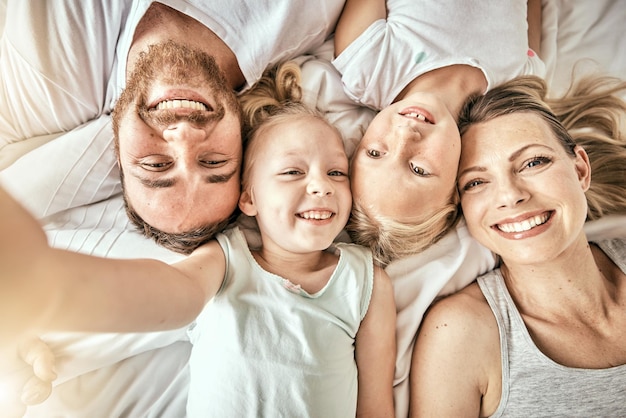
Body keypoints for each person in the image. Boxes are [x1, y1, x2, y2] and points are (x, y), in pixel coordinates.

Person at [0, 65, 396, 416]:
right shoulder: (228, 259)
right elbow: (175, 293)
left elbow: (376, 407)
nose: (321, 186)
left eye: (336, 173)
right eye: (292, 172)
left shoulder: (366, 281)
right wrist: (51, 289)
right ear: (249, 198)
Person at [0, 0, 345, 253]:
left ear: (117, 151)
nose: (184, 136)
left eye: (155, 164)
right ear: (242, 140)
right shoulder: (305, 13)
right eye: (213, 161)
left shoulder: (45, 81)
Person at [410, 75, 626, 416]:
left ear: (581, 169)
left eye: (533, 162)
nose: (511, 195)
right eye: (477, 182)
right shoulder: (460, 334)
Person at [331, 0, 545, 265]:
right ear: (455, 189)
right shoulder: (518, 85)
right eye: (418, 168)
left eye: (375, 153)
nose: (405, 135)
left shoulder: (367, 66)